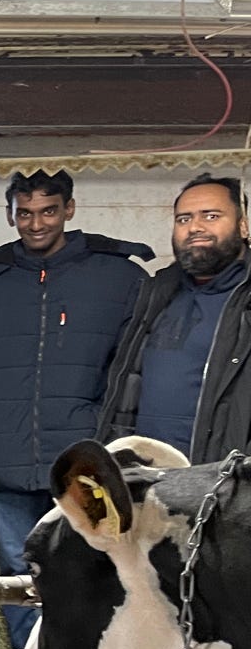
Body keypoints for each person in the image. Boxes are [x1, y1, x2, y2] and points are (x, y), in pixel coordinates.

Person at [0, 170, 149, 649]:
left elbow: (137, 363)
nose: (36, 223)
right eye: (25, 213)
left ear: (69, 209)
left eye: (48, 211)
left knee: (96, 562)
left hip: (86, 460)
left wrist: (113, 435)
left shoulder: (119, 278)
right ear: (10, 214)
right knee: (18, 567)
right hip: (6, 456)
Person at [100, 174, 251, 464]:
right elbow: (126, 388)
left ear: (242, 225)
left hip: (222, 485)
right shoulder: (157, 290)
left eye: (211, 215)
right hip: (148, 481)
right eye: (183, 219)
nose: (195, 227)